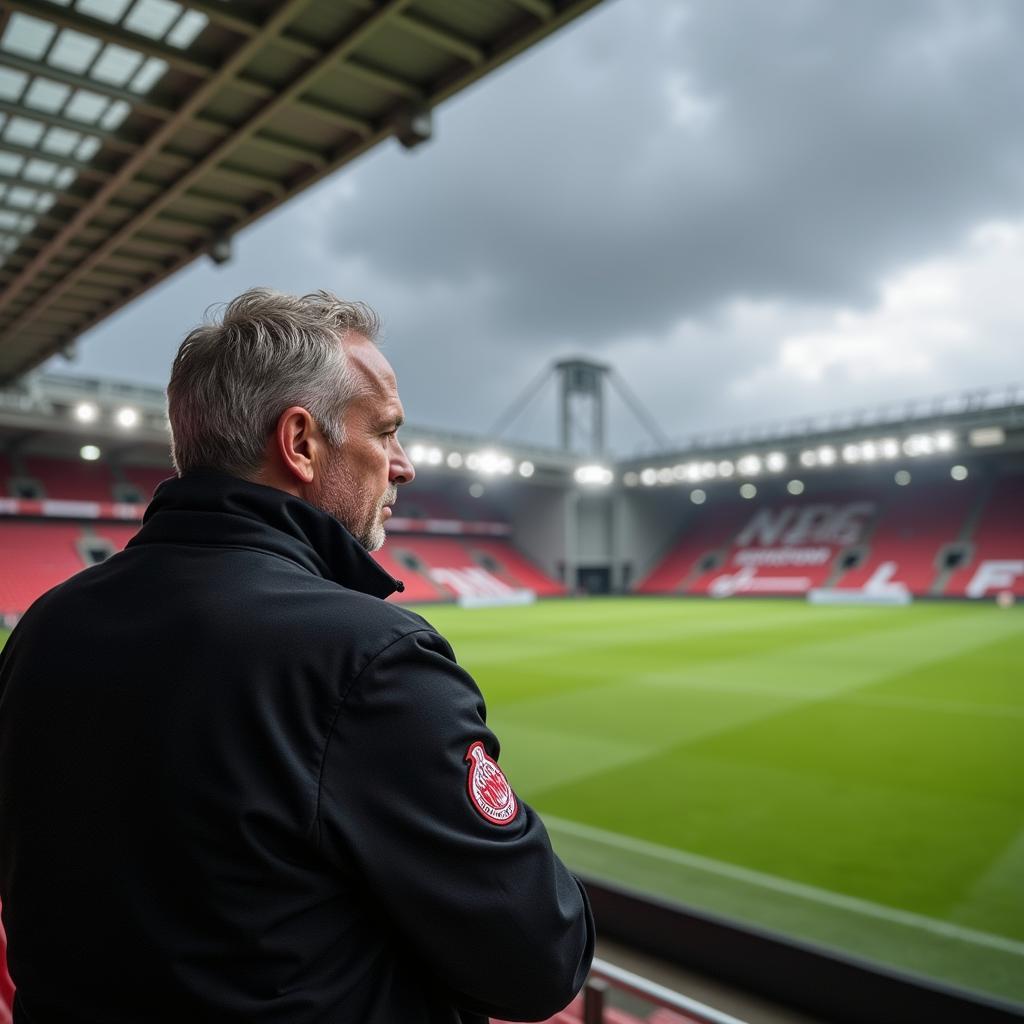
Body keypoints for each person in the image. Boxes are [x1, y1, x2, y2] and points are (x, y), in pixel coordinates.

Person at [0, 289, 595, 1023]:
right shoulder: (368, 657)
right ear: (301, 443)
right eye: (385, 432)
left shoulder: (45, 627)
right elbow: (541, 961)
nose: (403, 466)